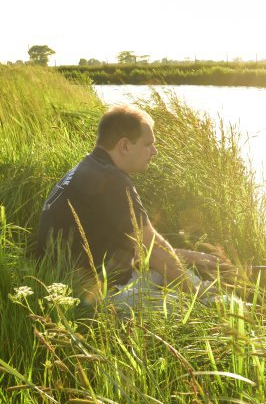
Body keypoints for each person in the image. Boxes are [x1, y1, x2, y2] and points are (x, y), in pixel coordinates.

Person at [37, 104, 229, 307]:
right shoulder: (112, 180)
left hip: (72, 284)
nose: (154, 151)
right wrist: (197, 291)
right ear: (125, 146)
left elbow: (138, 247)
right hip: (93, 298)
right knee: (196, 309)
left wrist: (193, 257)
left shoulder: (88, 168)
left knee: (174, 271)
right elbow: (152, 250)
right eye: (148, 144)